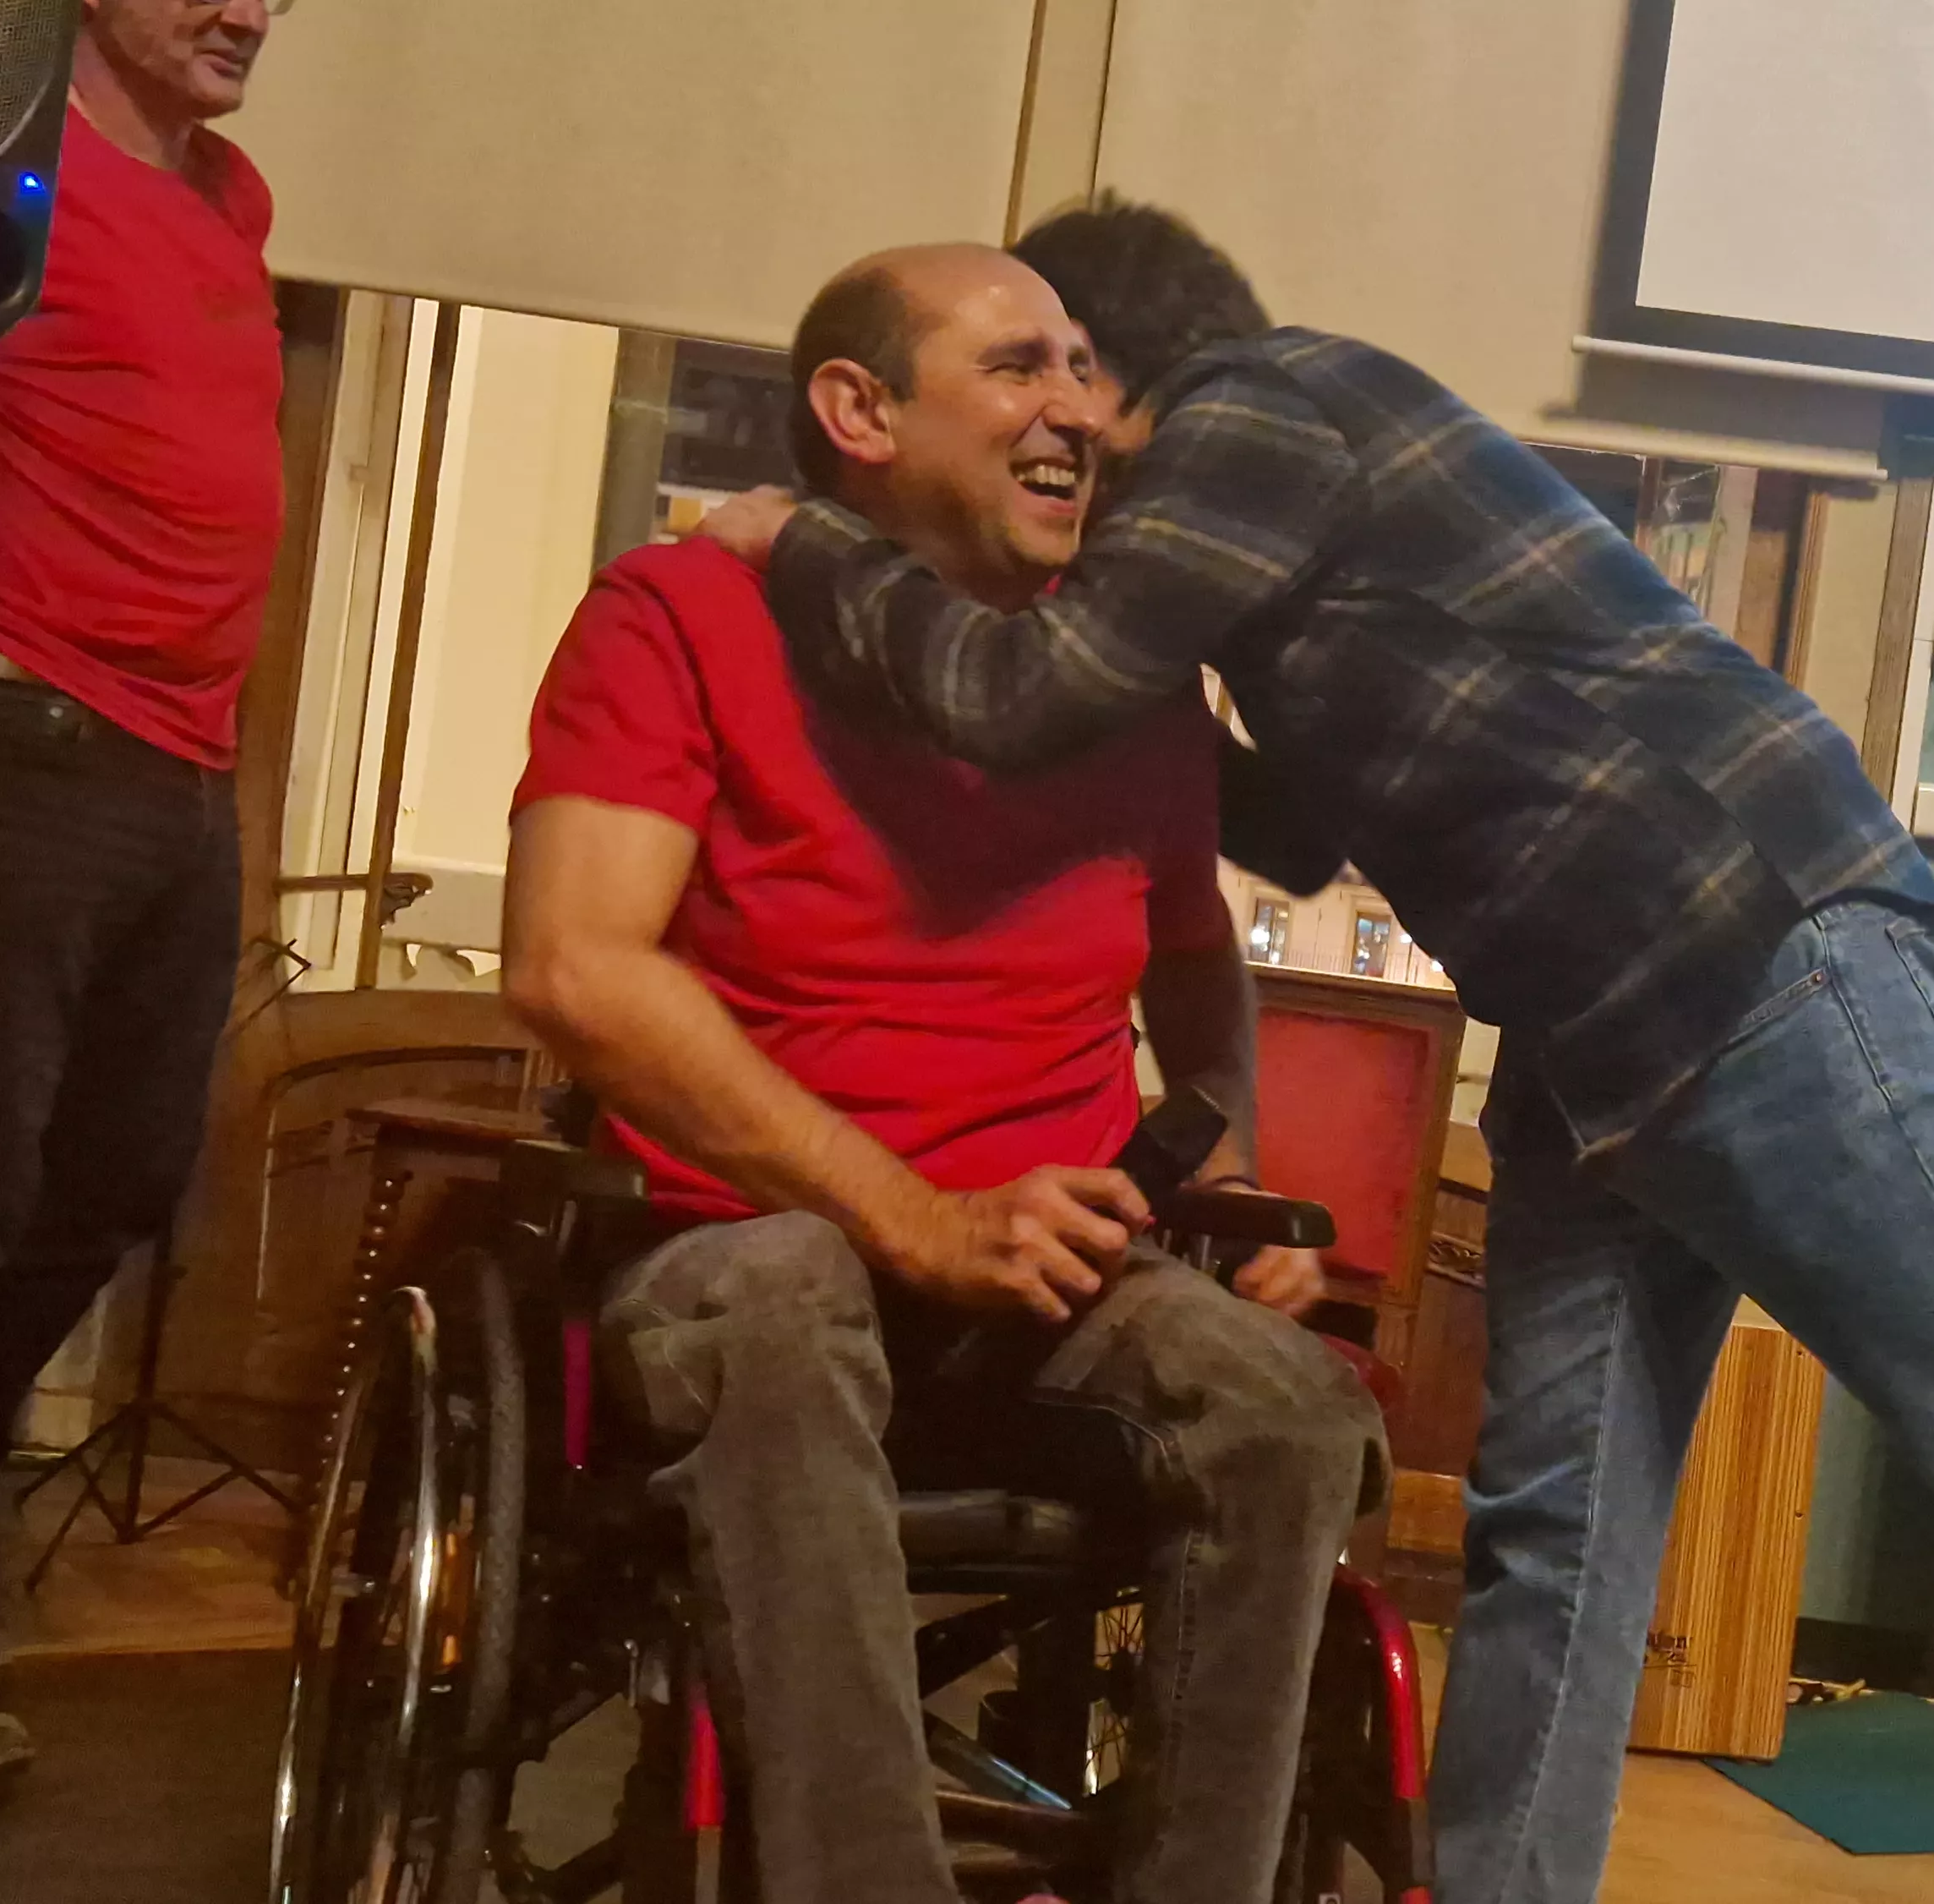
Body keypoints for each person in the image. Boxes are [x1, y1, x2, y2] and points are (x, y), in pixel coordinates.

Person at [699, 199, 1934, 1904]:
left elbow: (1019, 696)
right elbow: (1293, 831)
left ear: (1119, 368)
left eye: (1061, 375)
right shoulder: (1282, 518)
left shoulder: (1260, 408)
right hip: (1590, 1031)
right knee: (1558, 1538)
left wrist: (804, 547)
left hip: (1758, 958)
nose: (1054, 428)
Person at [501, 242, 1381, 1904]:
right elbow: (572, 965)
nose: (1079, 411)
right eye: (1020, 367)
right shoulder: (679, 612)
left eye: (1083, 368)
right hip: (738, 1245)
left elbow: (1191, 950)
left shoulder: (1117, 672)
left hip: (1042, 1275)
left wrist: (1218, 1154)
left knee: (1288, 1403)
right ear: (858, 409)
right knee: (785, 1292)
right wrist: (909, 1214)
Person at [0, 0, 286, 1812]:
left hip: (179, 774)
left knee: (108, 1183)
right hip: (0, 724)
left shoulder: (235, 197)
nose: (251, 5)